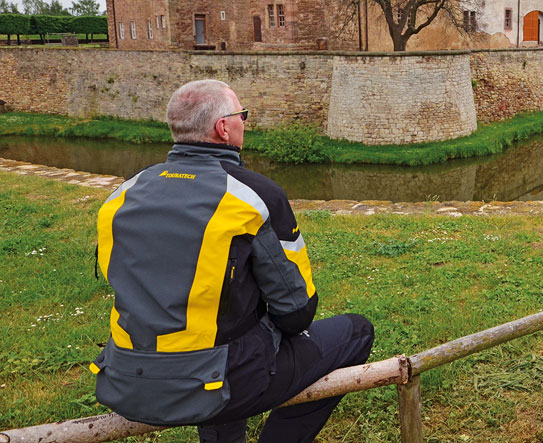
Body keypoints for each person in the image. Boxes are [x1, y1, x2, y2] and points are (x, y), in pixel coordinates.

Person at [91, 79, 373, 443]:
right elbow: (296, 311)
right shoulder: (253, 195)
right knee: (357, 331)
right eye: (242, 115)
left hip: (126, 377)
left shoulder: (123, 193)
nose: (245, 122)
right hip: (216, 380)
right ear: (223, 128)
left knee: (223, 333)